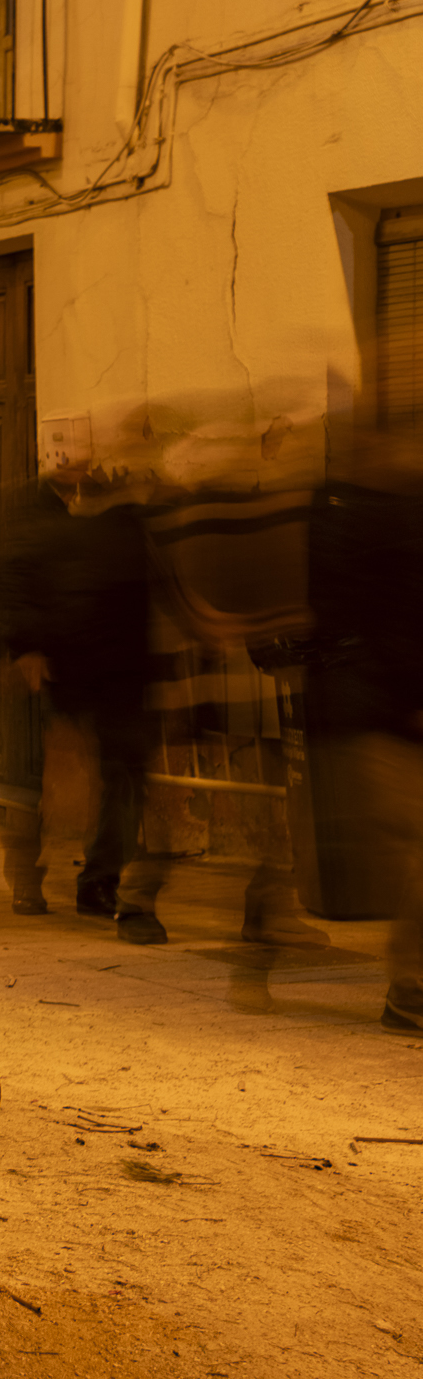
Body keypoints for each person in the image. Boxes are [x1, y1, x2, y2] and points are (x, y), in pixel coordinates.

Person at [0, 473, 162, 941]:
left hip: (117, 668)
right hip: (61, 665)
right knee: (36, 776)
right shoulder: (43, 515)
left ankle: (99, 881)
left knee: (123, 774)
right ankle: (29, 872)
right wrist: (27, 646)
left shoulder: (131, 525)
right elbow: (19, 579)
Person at [306, 430, 423, 1029]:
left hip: (387, 711)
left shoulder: (367, 521)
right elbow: (382, 628)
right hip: (391, 717)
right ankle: (409, 989)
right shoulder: (361, 525)